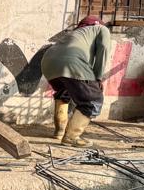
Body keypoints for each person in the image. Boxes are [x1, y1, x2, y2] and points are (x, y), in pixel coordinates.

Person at [40, 14, 113, 146]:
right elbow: (104, 48)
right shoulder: (101, 29)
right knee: (92, 101)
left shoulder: (75, 33)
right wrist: (98, 78)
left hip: (48, 63)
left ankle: (59, 131)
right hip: (71, 62)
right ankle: (71, 137)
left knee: (64, 92)